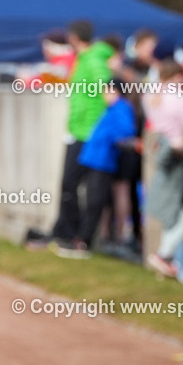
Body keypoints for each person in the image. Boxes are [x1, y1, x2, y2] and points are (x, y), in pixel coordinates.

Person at [49, 20, 114, 257]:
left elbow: (108, 88)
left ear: (74, 37)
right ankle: (71, 233)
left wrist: (100, 124)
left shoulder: (94, 59)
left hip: (91, 133)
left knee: (87, 188)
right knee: (70, 185)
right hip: (79, 131)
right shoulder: (83, 59)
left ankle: (81, 238)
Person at [56, 80, 137, 259]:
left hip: (103, 162)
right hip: (95, 161)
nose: (103, 95)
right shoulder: (112, 108)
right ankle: (80, 238)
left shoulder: (121, 107)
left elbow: (126, 132)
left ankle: (84, 242)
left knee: (95, 202)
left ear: (114, 91)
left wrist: (113, 141)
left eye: (106, 91)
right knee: (91, 200)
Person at [142, 61, 183, 283]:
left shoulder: (151, 94)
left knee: (176, 212)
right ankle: (166, 256)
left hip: (163, 149)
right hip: (177, 152)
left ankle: (167, 260)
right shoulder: (178, 96)